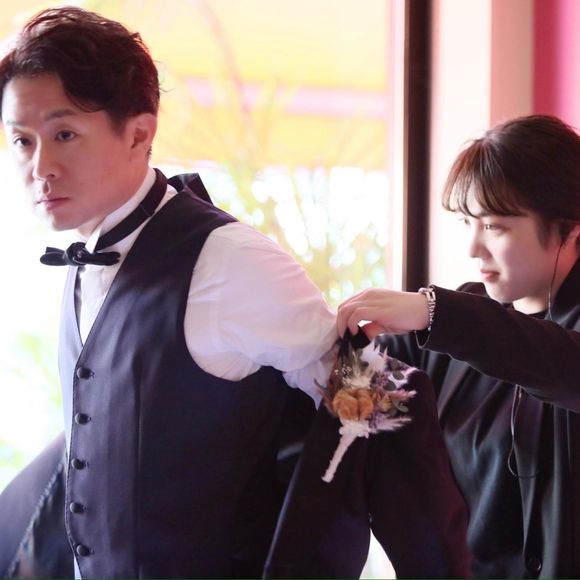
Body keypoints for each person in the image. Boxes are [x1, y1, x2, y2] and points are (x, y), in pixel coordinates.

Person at [0, 6, 472, 579]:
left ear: (139, 133)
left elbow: (378, 399)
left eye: (64, 134)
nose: (40, 167)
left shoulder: (228, 262)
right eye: (21, 140)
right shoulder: (83, 257)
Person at [337, 114, 580, 579]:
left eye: (495, 226)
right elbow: (356, 407)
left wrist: (435, 313)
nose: (473, 248)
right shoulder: (448, 334)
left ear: (569, 229)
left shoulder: (456, 323)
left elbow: (561, 363)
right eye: (469, 222)